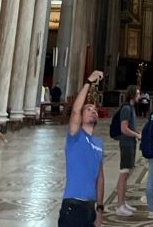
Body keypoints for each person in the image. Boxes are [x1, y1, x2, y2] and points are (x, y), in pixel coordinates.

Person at [58, 68, 105, 227]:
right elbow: (75, 110)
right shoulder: (75, 136)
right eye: (88, 109)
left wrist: (99, 208)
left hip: (89, 209)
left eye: (95, 110)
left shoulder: (99, 144)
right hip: (72, 206)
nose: (93, 111)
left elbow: (100, 178)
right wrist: (88, 82)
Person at [116, 85, 141, 216]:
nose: (139, 96)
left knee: (127, 174)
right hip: (126, 144)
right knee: (124, 174)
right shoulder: (126, 108)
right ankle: (119, 205)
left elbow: (130, 127)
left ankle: (123, 202)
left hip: (130, 143)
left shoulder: (131, 108)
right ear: (132, 95)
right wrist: (136, 135)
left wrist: (137, 132)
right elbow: (124, 129)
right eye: (137, 93)